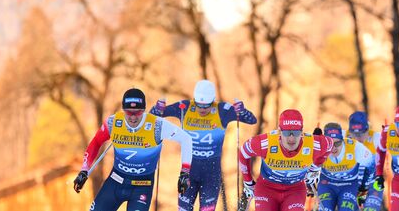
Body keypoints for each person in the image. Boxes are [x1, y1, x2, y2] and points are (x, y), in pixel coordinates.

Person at [72, 88, 193, 211]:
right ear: (123, 110)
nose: (133, 118)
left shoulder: (157, 125)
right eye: (129, 112)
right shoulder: (114, 122)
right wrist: (84, 170)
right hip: (116, 181)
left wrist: (185, 172)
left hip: (142, 186)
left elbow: (186, 139)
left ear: (144, 110)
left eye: (138, 112)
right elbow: (96, 142)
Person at [150, 79, 257, 211]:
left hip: (211, 175)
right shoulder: (185, 107)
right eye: (199, 105)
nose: (202, 109)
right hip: (188, 171)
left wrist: (243, 111)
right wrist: (157, 109)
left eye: (206, 106)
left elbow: (252, 120)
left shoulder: (222, 110)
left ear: (213, 101)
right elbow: (154, 116)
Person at [238, 109, 334, 211]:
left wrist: (315, 168)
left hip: (295, 190)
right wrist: (248, 181)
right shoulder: (265, 143)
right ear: (280, 131)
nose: (291, 138)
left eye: (296, 133)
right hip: (267, 188)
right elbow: (244, 152)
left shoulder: (313, 144)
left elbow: (330, 145)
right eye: (287, 133)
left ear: (302, 131)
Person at [317, 122, 373, 211]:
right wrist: (310, 184)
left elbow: (371, 165)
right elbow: (307, 166)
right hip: (327, 185)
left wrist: (364, 187)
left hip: (348, 185)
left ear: (343, 140)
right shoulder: (319, 148)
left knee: (345, 209)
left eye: (337, 143)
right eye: (330, 144)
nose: (333, 148)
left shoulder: (355, 147)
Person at [347, 112, 383, 211]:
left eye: (361, 133)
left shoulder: (377, 138)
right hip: (352, 182)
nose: (358, 137)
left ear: (367, 129)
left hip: (372, 183)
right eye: (354, 134)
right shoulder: (343, 138)